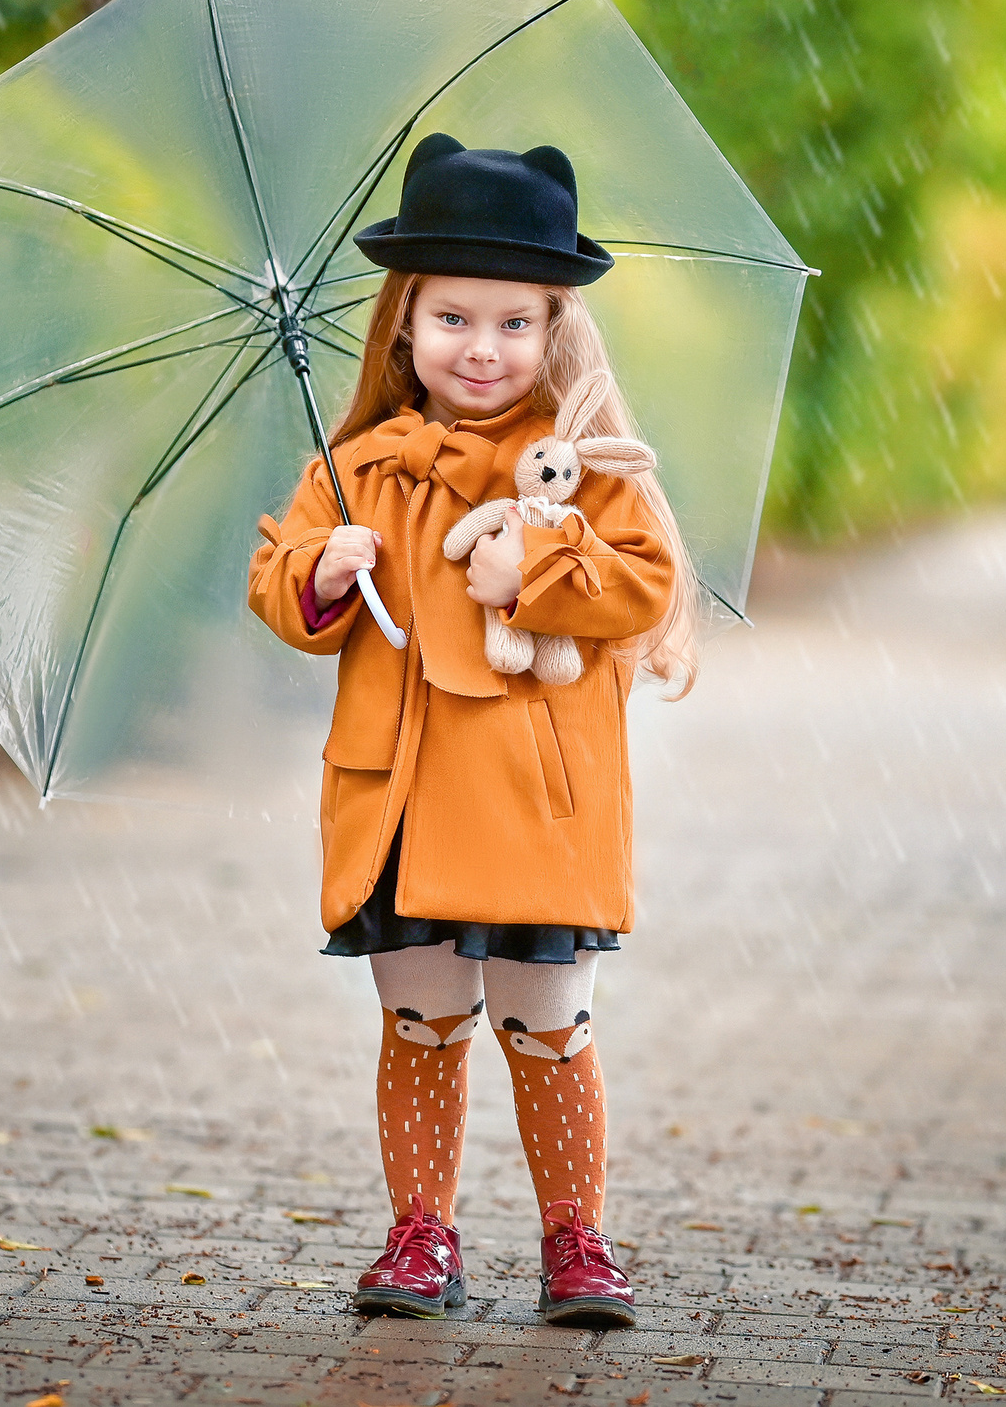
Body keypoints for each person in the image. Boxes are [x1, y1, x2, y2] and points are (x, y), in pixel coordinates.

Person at [246, 132, 697, 1326]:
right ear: (403, 325)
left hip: (533, 802)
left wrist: (537, 554)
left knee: (547, 1027)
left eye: (511, 323)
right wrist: (323, 568)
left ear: (554, 333)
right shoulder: (357, 469)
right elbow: (279, 587)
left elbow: (642, 585)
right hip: (399, 795)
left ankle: (574, 1240)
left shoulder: (578, 470)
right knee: (421, 1017)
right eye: (452, 319)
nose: (481, 348)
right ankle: (420, 1234)